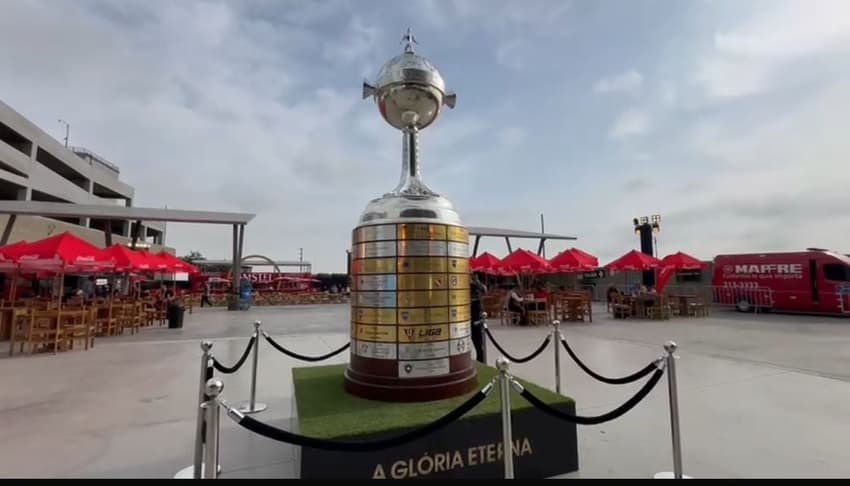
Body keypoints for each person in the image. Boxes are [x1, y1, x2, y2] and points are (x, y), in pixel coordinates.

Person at [469, 272, 488, 363]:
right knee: (477, 340)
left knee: (478, 341)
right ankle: (480, 358)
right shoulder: (472, 284)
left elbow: (484, 290)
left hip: (475, 314)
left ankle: (480, 359)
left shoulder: (476, 284)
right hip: (472, 313)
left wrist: (476, 281)